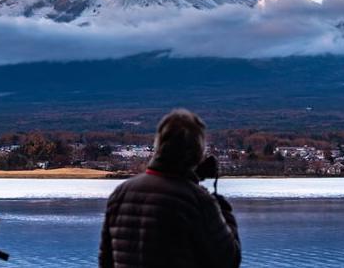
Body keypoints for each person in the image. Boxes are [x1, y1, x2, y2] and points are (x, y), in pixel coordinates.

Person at [99, 109, 241, 268]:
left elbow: (106, 261)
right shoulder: (198, 200)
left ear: (158, 145)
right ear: (197, 152)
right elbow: (228, 260)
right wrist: (223, 210)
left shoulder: (121, 193)